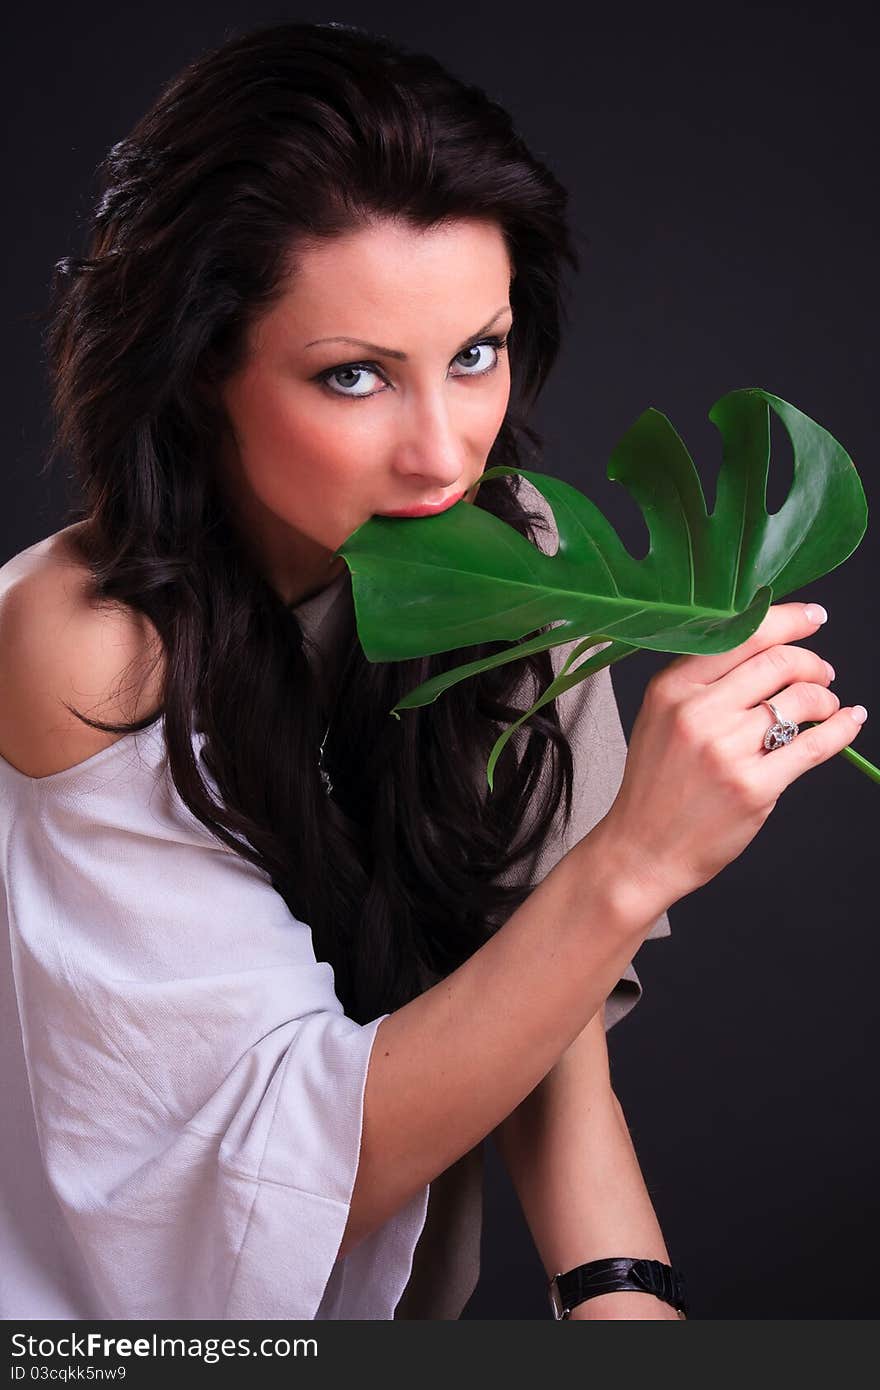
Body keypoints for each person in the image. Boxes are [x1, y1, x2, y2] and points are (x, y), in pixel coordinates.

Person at [0, 21, 864, 1322]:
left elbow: (537, 972)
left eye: (477, 353)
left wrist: (618, 1291)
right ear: (196, 377)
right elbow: (280, 1173)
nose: (446, 454)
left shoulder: (512, 554)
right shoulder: (85, 647)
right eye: (353, 377)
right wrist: (631, 863)